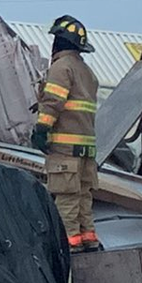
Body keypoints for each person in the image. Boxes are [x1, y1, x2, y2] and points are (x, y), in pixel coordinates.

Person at [30, 15, 99, 251]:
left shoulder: (62, 68)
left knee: (66, 198)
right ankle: (87, 237)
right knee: (83, 197)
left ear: (59, 42)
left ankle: (69, 243)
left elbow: (53, 102)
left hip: (65, 149)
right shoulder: (86, 72)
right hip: (86, 149)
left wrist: (41, 129)